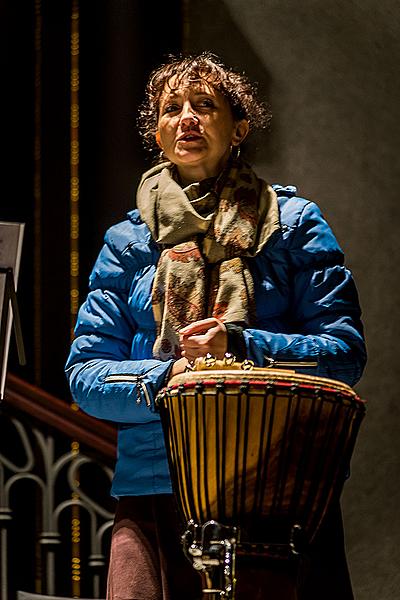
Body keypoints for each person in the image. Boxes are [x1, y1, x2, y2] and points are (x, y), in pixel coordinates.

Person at [65, 52, 366, 600]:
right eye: (172, 108)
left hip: (280, 488)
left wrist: (242, 344)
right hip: (156, 481)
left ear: (239, 127)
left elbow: (344, 354)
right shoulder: (126, 243)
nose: (187, 119)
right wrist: (171, 377)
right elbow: (85, 376)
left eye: (205, 106)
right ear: (156, 132)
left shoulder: (294, 224)